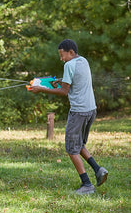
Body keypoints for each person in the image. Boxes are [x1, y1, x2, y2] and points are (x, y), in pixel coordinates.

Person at [28, 39, 108, 195]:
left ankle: (87, 185)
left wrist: (41, 89)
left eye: (62, 55)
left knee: (72, 149)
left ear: (71, 52)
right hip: (91, 110)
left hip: (78, 112)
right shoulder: (83, 61)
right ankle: (98, 170)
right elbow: (73, 82)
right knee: (78, 144)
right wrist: (60, 81)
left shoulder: (68, 65)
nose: (61, 59)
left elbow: (64, 91)